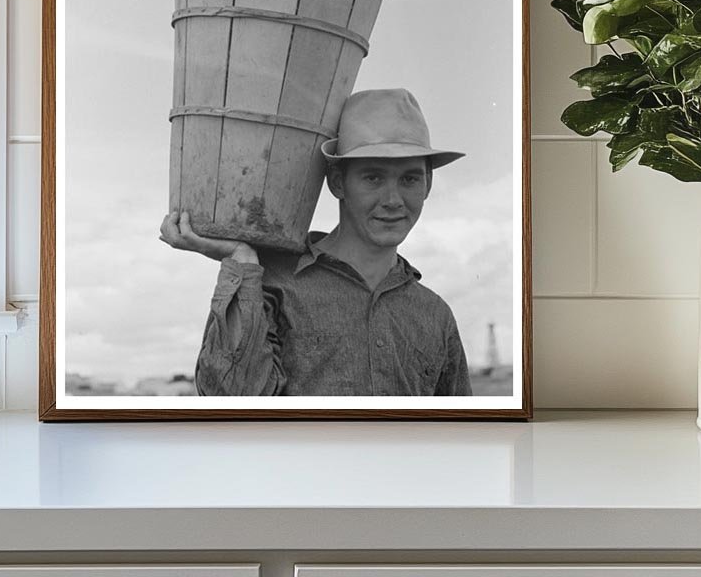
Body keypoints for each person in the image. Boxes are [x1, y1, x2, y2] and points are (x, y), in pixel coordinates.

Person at [159, 88, 473, 396]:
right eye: (373, 178)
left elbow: (459, 437)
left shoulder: (435, 314)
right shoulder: (271, 283)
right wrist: (241, 263)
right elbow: (229, 404)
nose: (393, 199)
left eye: (409, 179)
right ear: (338, 182)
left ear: (427, 185)